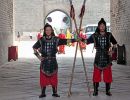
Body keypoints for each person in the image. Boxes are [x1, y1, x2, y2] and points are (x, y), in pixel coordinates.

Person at [33, 23, 76, 98]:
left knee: (54, 77)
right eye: (47, 30)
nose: (48, 31)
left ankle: (55, 92)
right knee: (43, 78)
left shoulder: (56, 39)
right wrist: (39, 57)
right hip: (44, 62)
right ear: (45, 31)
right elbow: (34, 47)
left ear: (52, 30)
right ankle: (43, 93)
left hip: (53, 61)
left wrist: (75, 40)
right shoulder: (41, 40)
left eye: (49, 30)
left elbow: (65, 41)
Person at [82, 18, 117, 96]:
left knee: (108, 76)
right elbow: (87, 41)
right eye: (100, 26)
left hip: (107, 58)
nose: (102, 27)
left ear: (105, 26)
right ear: (98, 26)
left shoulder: (109, 35)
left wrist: (113, 51)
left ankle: (107, 91)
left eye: (103, 25)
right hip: (98, 58)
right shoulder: (94, 35)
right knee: (96, 76)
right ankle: (95, 90)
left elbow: (115, 44)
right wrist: (80, 39)